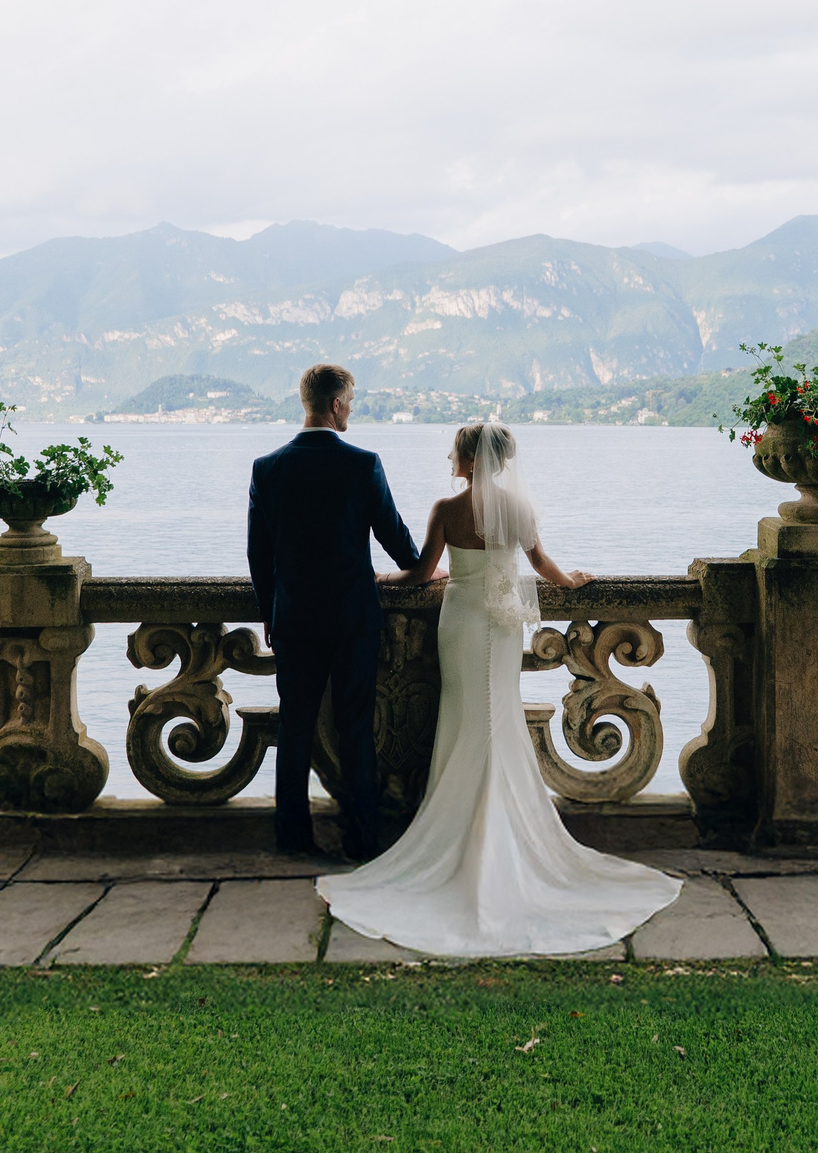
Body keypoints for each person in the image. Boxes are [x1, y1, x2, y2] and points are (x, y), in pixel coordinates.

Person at [318, 421, 680, 955]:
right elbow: (541, 565)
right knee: (500, 715)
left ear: (468, 457)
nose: (448, 458)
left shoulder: (446, 509)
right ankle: (507, 830)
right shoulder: (518, 509)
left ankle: (460, 832)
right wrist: (572, 583)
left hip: (463, 618)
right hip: (504, 622)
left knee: (465, 714)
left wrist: (378, 580)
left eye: (454, 452)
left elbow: (421, 573)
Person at [247, 363, 443, 860]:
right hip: (353, 619)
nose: (352, 407)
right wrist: (430, 569)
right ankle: (361, 839)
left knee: (295, 727)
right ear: (335, 404)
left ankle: (291, 838)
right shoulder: (363, 464)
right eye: (351, 400)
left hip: (292, 619)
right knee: (356, 729)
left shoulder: (267, 468)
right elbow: (399, 545)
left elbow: (258, 554)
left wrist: (269, 611)